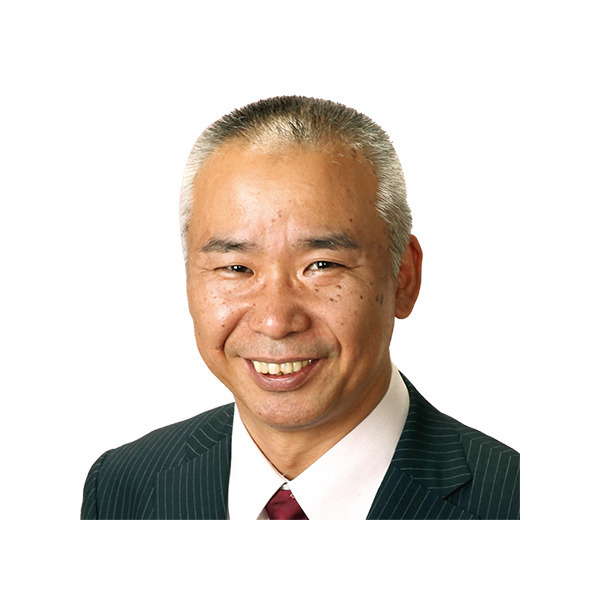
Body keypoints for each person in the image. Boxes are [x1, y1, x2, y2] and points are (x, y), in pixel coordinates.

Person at [81, 96, 519, 520]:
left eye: (322, 265)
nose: (275, 321)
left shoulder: (515, 502)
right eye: (236, 268)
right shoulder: (122, 488)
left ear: (403, 276)